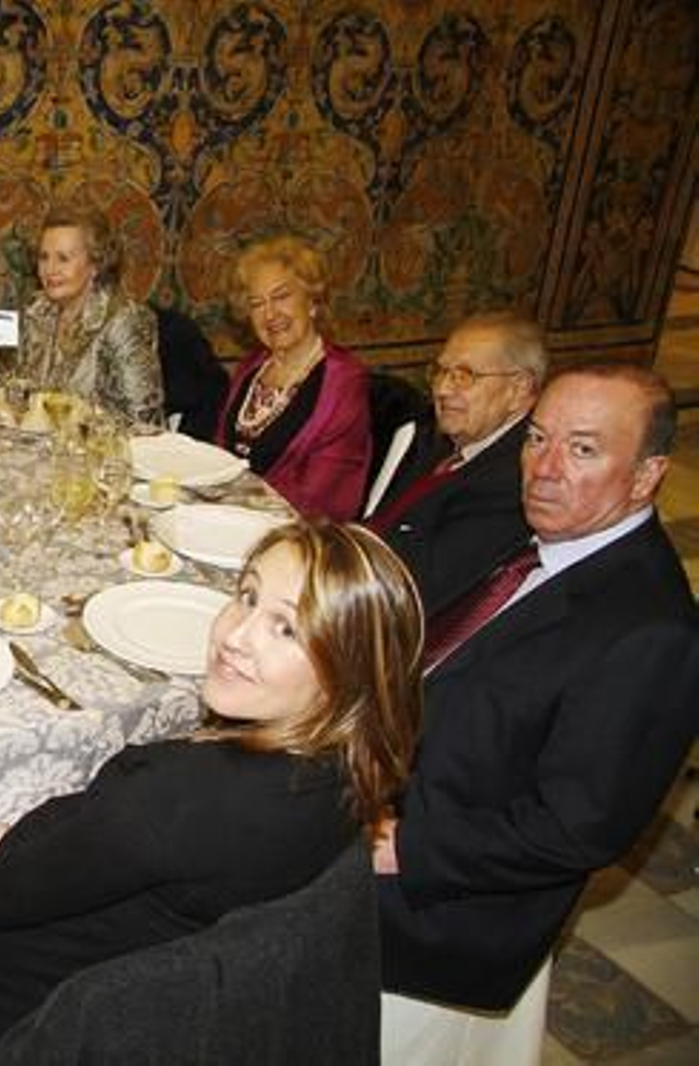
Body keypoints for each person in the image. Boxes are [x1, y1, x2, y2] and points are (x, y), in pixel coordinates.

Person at [0, 520, 424, 1065]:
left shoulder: (183, 799)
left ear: (347, 671)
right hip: (139, 979)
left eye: (286, 627)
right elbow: (126, 846)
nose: (236, 636)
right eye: (246, 596)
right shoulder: (346, 779)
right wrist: (24, 840)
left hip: (18, 1019)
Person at [374, 364, 699, 1061]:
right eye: (537, 439)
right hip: (385, 787)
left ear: (647, 476)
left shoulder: (653, 634)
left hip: (442, 898)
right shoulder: (537, 540)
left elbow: (578, 828)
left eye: (583, 449)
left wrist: (406, 847)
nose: (544, 469)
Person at [368, 311, 545, 615]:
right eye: (440, 371)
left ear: (518, 389)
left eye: (464, 375)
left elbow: (413, 592)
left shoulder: (514, 479)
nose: (442, 389)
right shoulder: (444, 440)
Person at [215, 235, 371, 520]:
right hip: (230, 519)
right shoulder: (251, 367)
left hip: (297, 535)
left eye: (282, 297)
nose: (270, 313)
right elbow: (221, 456)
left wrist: (238, 509)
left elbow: (322, 496)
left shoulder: (343, 383)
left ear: (312, 301)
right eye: (256, 303)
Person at [18, 203, 162, 423]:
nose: (50, 269)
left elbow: (142, 420)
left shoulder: (122, 322)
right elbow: (25, 394)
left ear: (96, 264)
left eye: (63, 258)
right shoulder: (37, 312)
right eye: (43, 257)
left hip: (108, 452)